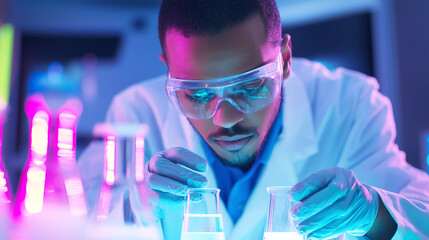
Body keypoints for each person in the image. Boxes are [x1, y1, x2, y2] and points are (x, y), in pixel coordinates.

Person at [78, 0, 429, 239]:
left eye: (251, 86)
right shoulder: (137, 114)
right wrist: (133, 206)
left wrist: (374, 214)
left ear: (286, 59)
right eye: (198, 94)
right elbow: (69, 218)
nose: (227, 118)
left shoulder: (347, 106)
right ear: (168, 71)